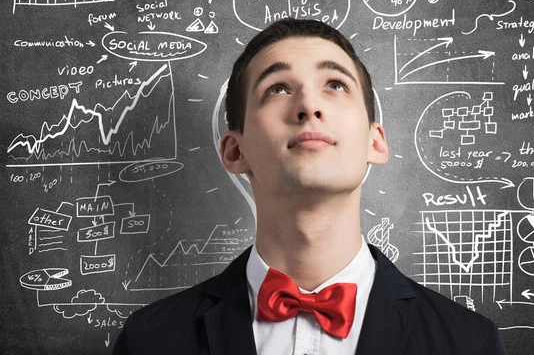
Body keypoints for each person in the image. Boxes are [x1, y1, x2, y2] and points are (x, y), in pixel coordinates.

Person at [113, 18, 507, 354]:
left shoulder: (470, 343)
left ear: (376, 141)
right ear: (236, 151)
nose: (308, 105)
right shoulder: (149, 341)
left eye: (335, 84)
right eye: (277, 88)